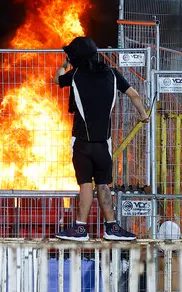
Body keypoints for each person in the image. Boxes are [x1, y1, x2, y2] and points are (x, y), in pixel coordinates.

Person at [53, 36, 149, 242]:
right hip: (103, 143)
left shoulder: (75, 75)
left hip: (80, 142)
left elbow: (57, 79)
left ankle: (80, 229)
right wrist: (143, 115)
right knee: (103, 184)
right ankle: (111, 227)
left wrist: (64, 65)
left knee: (85, 184)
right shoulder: (112, 74)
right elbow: (134, 95)